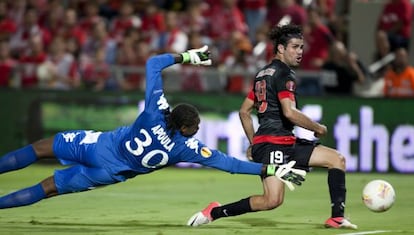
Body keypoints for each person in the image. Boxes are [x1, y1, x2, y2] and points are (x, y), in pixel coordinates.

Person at [0, 45, 306, 210]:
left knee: (40, 148)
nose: (197, 129)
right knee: (46, 189)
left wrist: (188, 57)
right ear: (186, 129)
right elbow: (230, 164)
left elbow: (152, 64)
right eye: (195, 126)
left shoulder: (155, 111)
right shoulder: (183, 148)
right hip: (105, 173)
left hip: (96, 146)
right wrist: (269, 170)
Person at [187, 24, 357, 229]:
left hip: (281, 142)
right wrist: (317, 128)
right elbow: (289, 112)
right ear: (281, 49)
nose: (300, 52)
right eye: (295, 47)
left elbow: (244, 111)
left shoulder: (262, 74)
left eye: (301, 47)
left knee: (336, 159)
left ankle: (336, 218)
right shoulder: (285, 74)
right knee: (272, 200)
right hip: (274, 145)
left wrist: (253, 142)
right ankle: (214, 212)